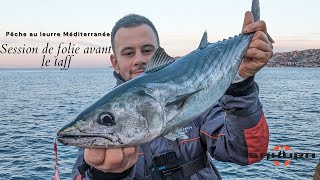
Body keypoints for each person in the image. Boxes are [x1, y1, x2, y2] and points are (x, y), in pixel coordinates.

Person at [72, 12, 273, 180]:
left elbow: (246, 152)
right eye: (128, 53)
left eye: (147, 50)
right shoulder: (104, 126)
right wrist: (104, 175)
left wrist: (241, 86)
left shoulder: (201, 105)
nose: (139, 59)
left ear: (159, 53)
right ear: (115, 62)